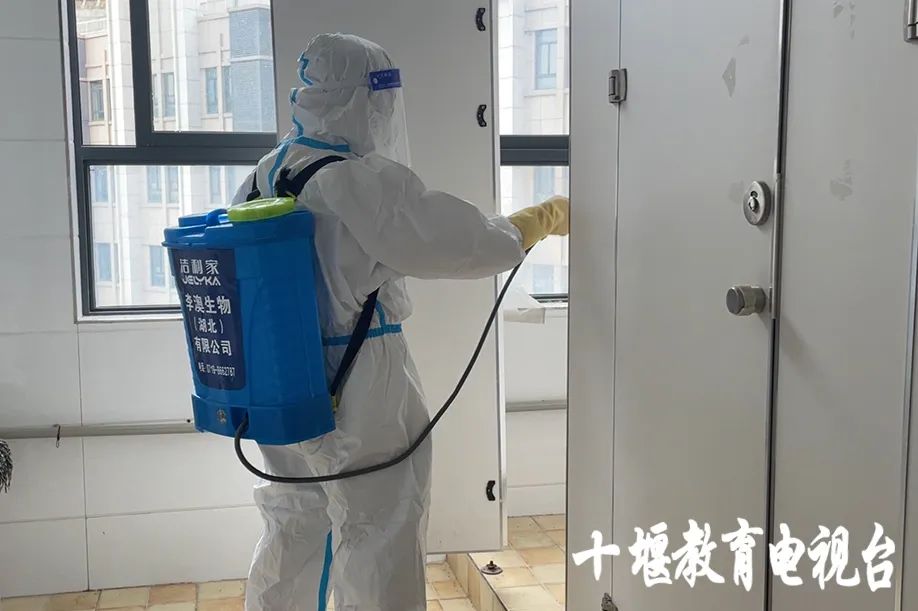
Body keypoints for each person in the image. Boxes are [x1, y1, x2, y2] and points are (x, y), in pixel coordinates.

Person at [232, 33, 570, 611]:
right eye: (382, 94)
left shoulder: (266, 173)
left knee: (296, 516)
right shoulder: (350, 180)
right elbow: (455, 241)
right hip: (357, 380)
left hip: (280, 378)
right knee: (378, 525)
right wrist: (536, 221)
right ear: (360, 97)